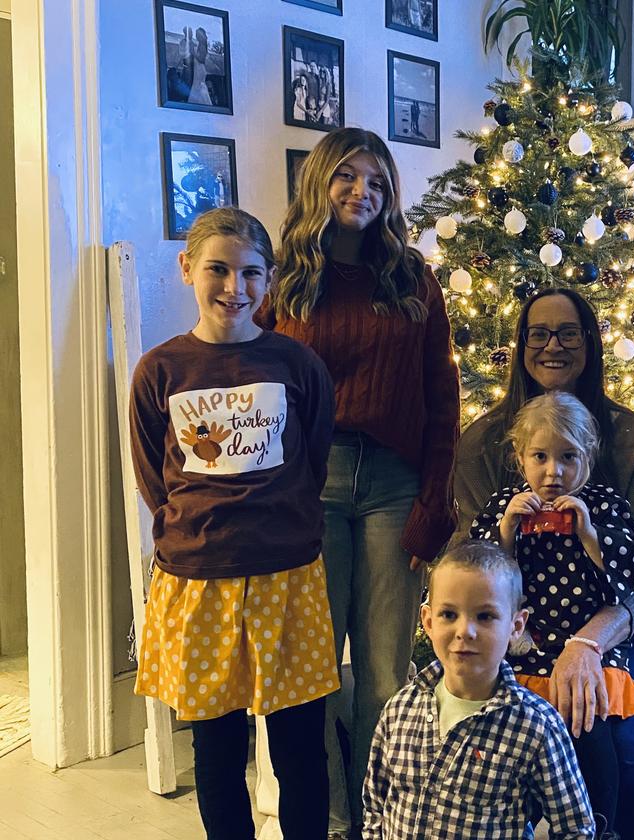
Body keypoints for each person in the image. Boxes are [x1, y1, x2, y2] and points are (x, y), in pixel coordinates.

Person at [261, 126, 460, 839]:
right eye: (347, 176)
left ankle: (380, 820)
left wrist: (434, 502)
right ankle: (332, 821)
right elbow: (251, 381)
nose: (362, 192)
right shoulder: (283, 280)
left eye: (377, 182)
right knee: (314, 673)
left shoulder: (412, 278)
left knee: (383, 673)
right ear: (320, 181)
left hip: (393, 485)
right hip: (308, 489)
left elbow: (441, 396)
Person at [129, 207, 337, 839]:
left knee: (300, 748)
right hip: (198, 581)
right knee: (217, 751)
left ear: (269, 278)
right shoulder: (159, 370)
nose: (233, 288)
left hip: (287, 577)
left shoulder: (298, 364)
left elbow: (313, 460)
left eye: (250, 273)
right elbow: (154, 478)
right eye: (217, 269)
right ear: (187, 268)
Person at [455, 287, 634, 839]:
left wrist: (589, 643)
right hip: (523, 636)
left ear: (590, 343)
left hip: (622, 634)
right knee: (494, 733)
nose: (553, 345)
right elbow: (471, 560)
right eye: (539, 333)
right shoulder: (483, 442)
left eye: (568, 333)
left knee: (618, 737)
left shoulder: (631, 438)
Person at [470, 391, 634, 833]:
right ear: (520, 457)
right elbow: (481, 579)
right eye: (540, 456)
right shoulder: (505, 506)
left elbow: (630, 576)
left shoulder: (605, 504)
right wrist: (506, 531)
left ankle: (597, 827)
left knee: (590, 724)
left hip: (590, 646)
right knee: (510, 731)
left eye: (568, 457)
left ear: (588, 456)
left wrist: (589, 534)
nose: (553, 471)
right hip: (528, 647)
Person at [362, 540, 595, 838]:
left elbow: (576, 828)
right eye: (449, 615)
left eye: (485, 616)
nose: (464, 631)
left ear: (516, 626)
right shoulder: (400, 710)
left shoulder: (536, 726)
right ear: (428, 621)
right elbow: (376, 805)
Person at [188, 27, 212, 106]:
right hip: (197, 68)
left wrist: (193, 53)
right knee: (197, 85)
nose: (196, 36)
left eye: (198, 34)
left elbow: (201, 59)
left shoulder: (202, 46)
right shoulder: (199, 45)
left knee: (199, 85)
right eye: (196, 34)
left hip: (200, 68)